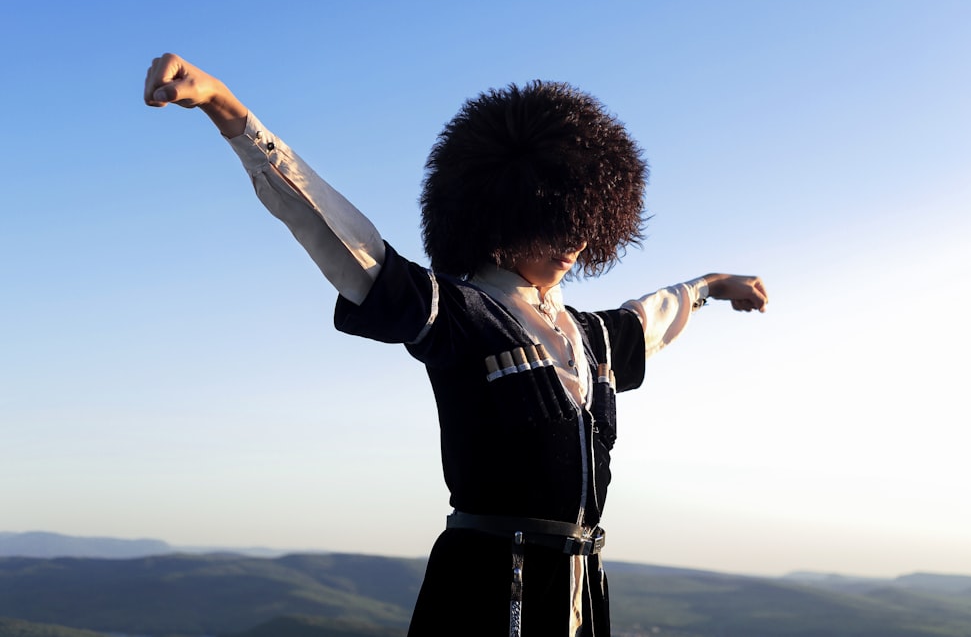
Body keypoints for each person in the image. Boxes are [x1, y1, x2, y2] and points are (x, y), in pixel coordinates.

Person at [144, 53, 768, 637]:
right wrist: (229, 111)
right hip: (487, 592)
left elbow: (654, 315)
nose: (570, 242)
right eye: (549, 222)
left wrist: (713, 285)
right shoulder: (458, 314)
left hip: (582, 595)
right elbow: (340, 237)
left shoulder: (592, 336)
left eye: (579, 224)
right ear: (497, 219)